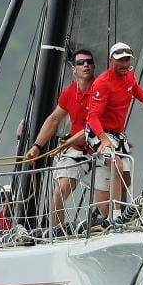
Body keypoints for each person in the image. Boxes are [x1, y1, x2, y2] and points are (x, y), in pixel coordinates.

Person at [85, 42, 143, 217]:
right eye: (120, 60)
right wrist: (103, 138)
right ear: (111, 61)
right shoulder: (103, 83)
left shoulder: (129, 74)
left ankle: (110, 205)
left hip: (117, 134)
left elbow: (136, 89)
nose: (124, 64)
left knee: (127, 178)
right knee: (117, 164)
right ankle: (116, 217)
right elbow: (92, 117)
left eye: (127, 60)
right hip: (98, 131)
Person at [26, 48, 102, 227]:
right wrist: (37, 145)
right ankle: (56, 233)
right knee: (59, 193)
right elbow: (53, 119)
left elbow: (93, 127)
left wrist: (67, 142)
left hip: (100, 146)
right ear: (73, 69)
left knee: (105, 199)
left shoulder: (101, 88)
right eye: (81, 62)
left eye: (89, 62)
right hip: (77, 151)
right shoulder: (69, 92)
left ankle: (111, 222)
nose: (86, 65)